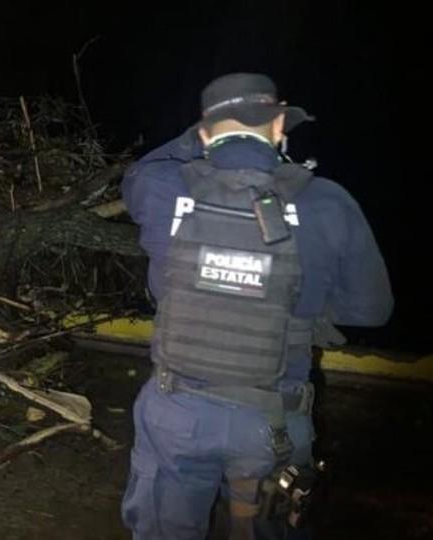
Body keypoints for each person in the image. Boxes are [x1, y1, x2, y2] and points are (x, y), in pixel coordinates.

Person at [120, 73, 393, 539]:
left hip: (178, 412)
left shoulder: (160, 186)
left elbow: (145, 167)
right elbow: (370, 311)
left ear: (204, 133)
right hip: (275, 422)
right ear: (280, 125)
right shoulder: (328, 201)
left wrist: (200, 140)